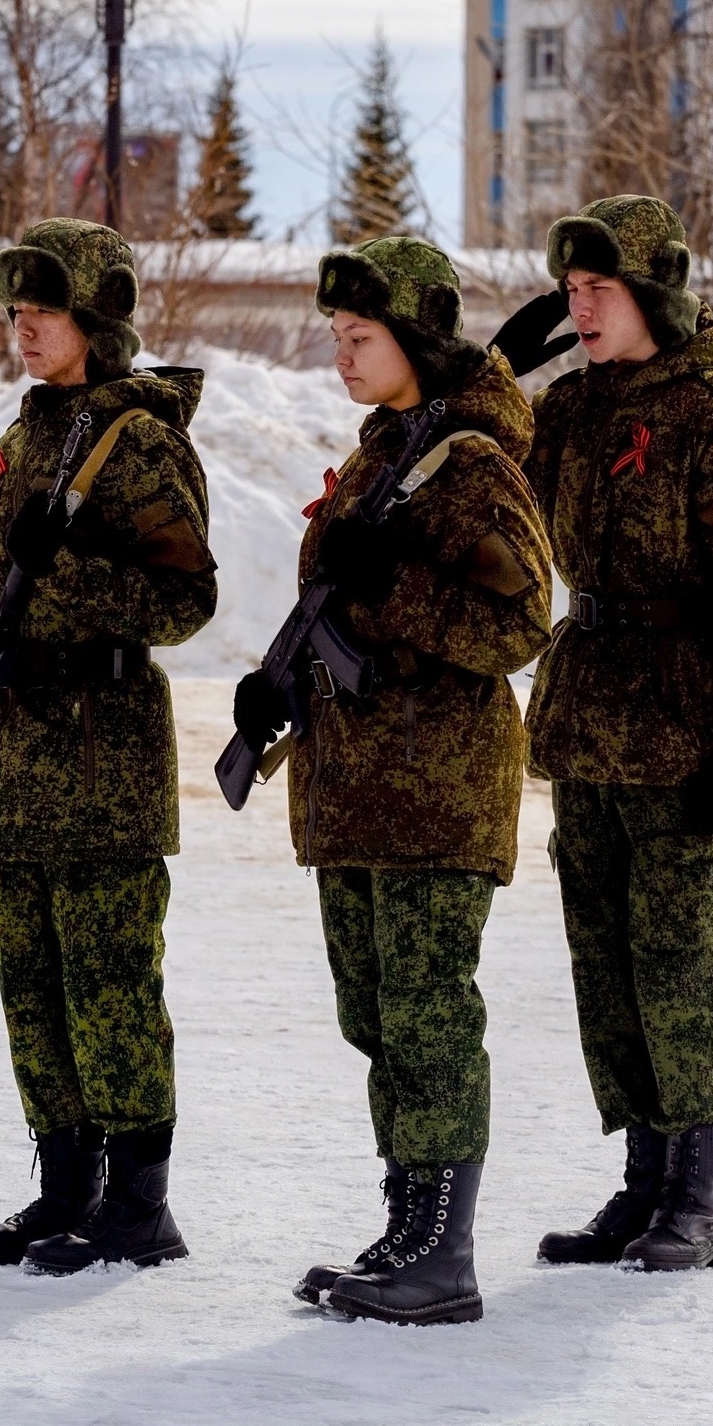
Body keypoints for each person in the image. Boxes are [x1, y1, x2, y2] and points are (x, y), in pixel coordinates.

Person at [232, 238, 554, 1326]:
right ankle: (406, 1223)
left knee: (426, 1016)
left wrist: (401, 593)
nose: (341, 353)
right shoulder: (385, 453)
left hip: (435, 791)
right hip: (356, 787)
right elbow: (339, 604)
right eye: (335, 335)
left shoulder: (471, 466)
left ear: (414, 340)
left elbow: (519, 625)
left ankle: (441, 1256)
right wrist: (273, 687)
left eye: (358, 336)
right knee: (373, 1014)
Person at [488, 195, 713, 1272]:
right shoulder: (571, 411)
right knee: (605, 963)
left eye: (599, 291)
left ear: (653, 298)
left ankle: (694, 1199)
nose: (578, 309)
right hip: (587, 723)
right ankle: (638, 1185)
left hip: (680, 726)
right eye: (568, 291)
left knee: (678, 964)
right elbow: (482, 497)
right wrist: (495, 372)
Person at [0, 217, 218, 1275]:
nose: (23, 327)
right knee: (32, 984)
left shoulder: (134, 440)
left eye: (43, 309)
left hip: (101, 754)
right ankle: (64, 1190)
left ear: (95, 320)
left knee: (108, 982)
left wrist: (69, 579)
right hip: (18, 753)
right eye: (15, 308)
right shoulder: (29, 430)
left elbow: (189, 597)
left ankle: (139, 1205)